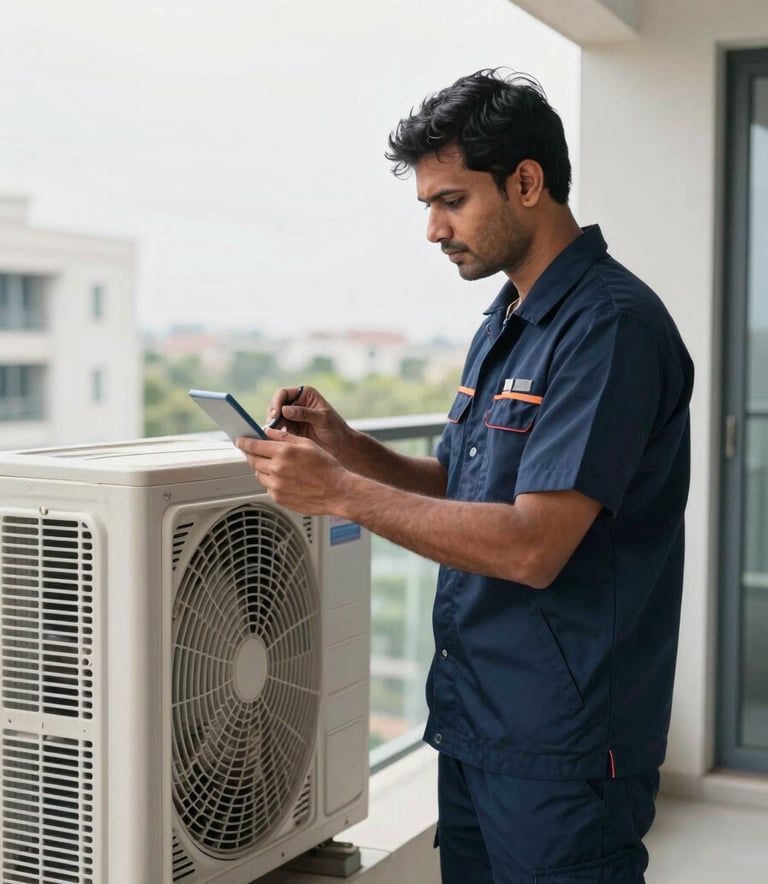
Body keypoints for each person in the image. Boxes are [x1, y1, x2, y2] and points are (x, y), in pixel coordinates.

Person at [237, 68, 693, 884]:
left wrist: (336, 492)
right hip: (477, 718)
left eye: (450, 201)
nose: (434, 230)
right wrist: (345, 447)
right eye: (426, 207)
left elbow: (533, 546)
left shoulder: (610, 329)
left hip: (565, 746)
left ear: (526, 182)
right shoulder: (507, 320)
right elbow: (459, 488)